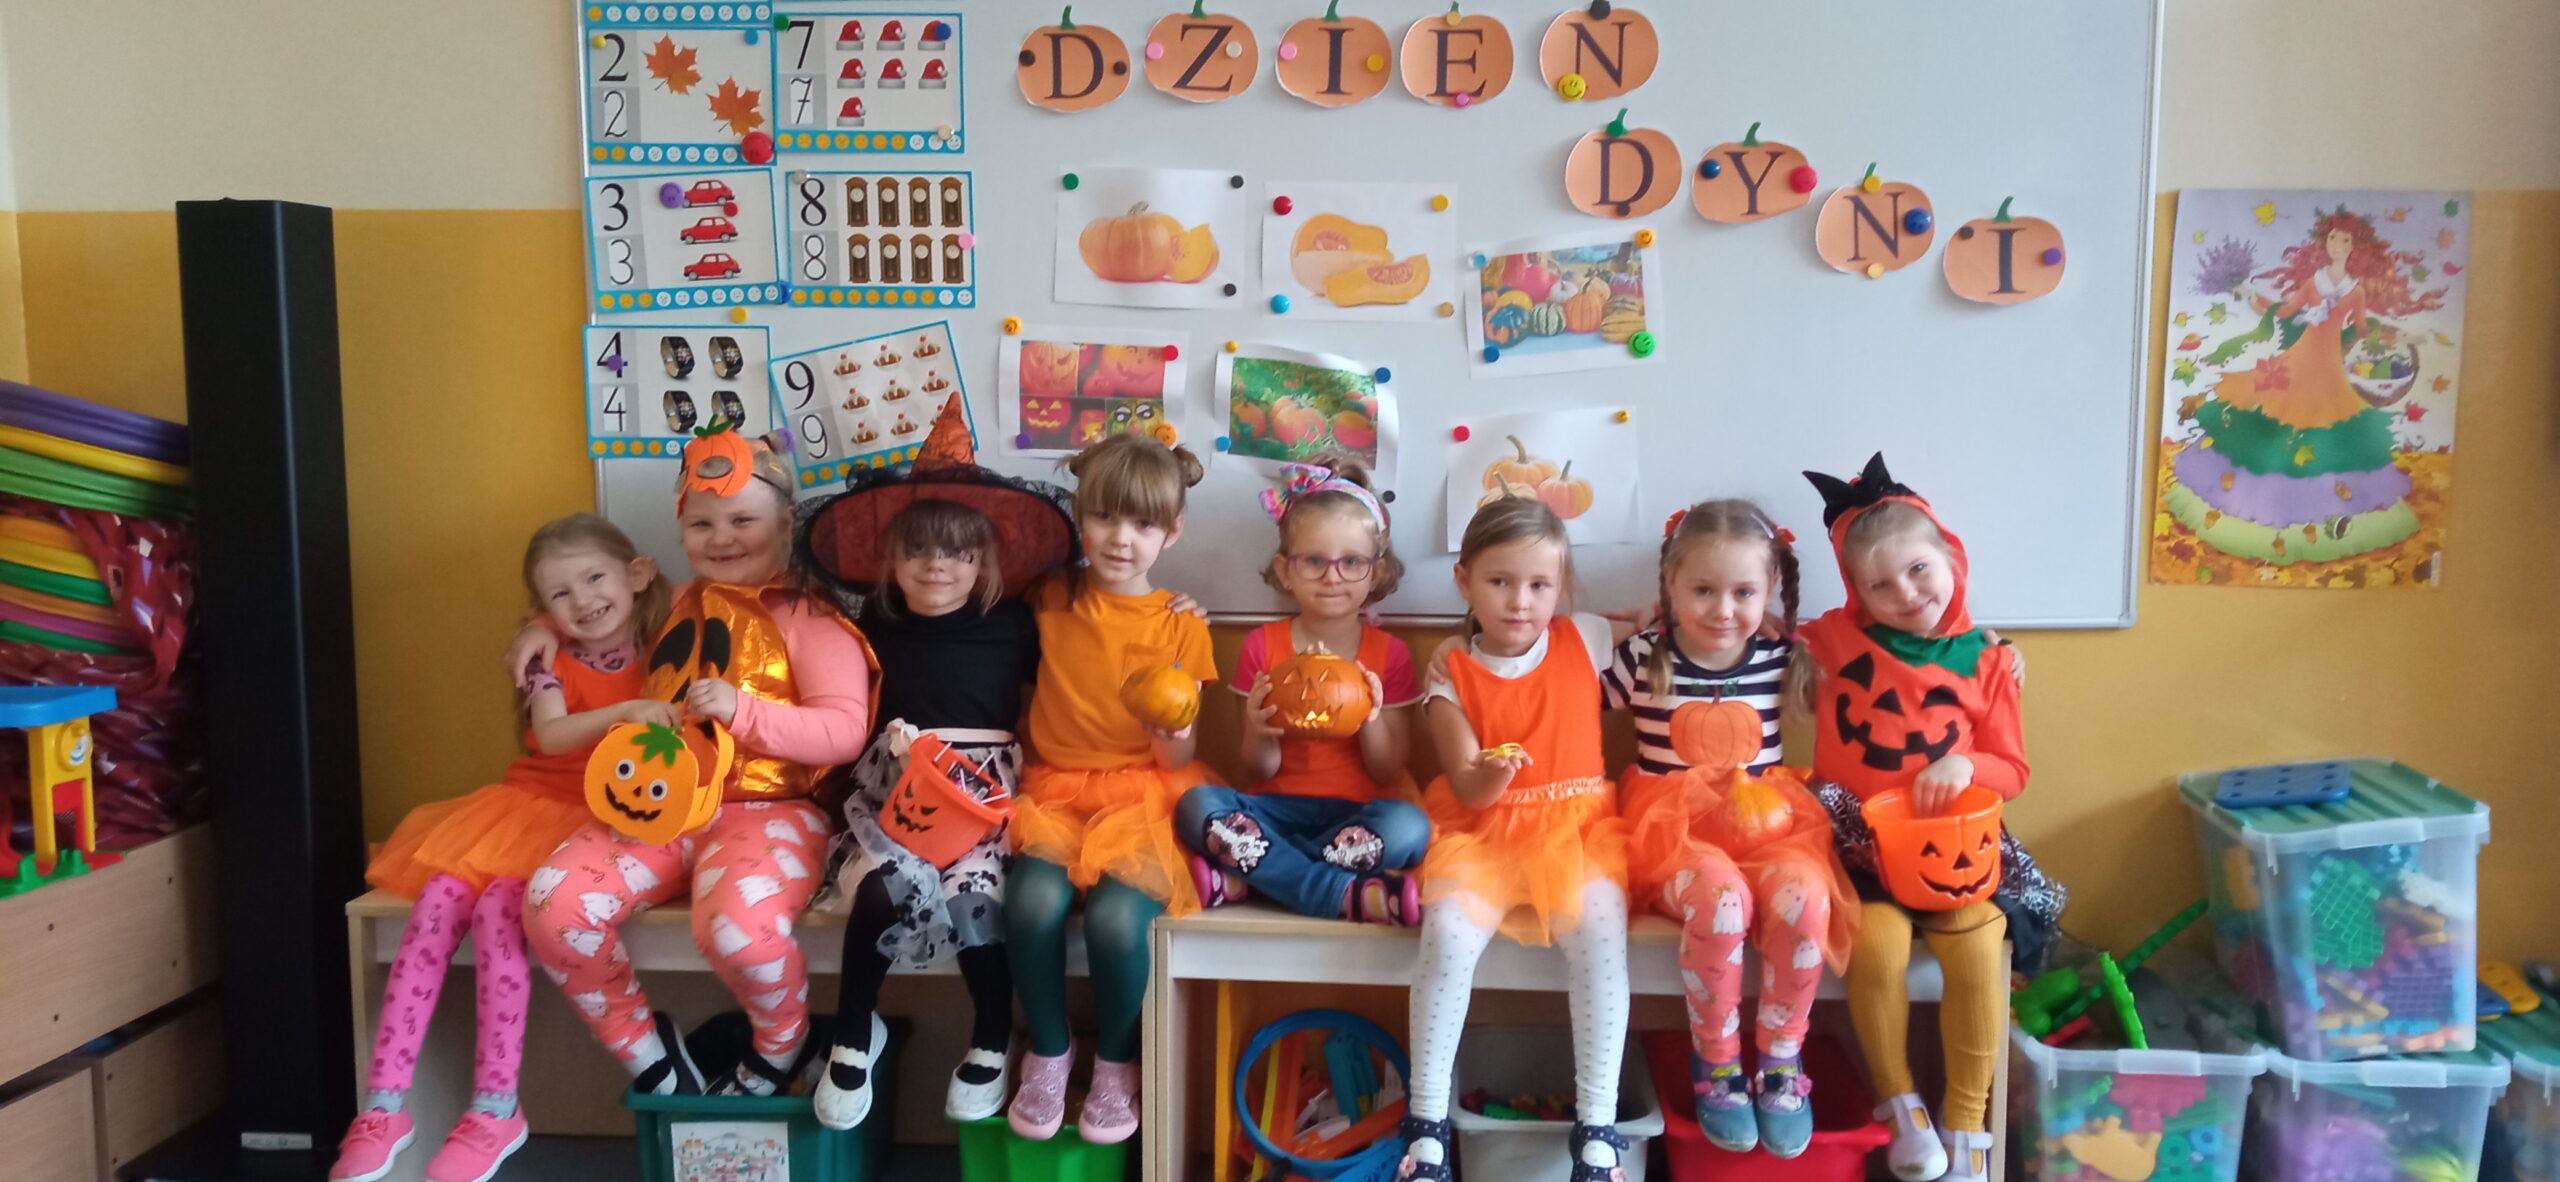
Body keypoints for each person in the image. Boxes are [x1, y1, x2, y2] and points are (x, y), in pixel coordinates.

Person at [518, 423, 877, 1098]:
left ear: (787, 522)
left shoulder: (810, 616)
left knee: (740, 932)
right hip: (660, 805)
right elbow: (593, 610)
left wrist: (743, 710)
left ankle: (783, 1044)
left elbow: (844, 734)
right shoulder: (675, 601)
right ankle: (649, 1056)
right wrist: (539, 626)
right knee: (552, 903)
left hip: (772, 812)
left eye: (743, 520)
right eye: (701, 523)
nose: (722, 538)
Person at [331, 514, 672, 1182]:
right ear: (541, 606)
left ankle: (494, 1109)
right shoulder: (549, 660)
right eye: (559, 594)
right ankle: (384, 1106)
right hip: (522, 809)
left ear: (637, 574)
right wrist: (613, 701)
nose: (582, 601)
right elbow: (554, 735)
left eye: (594, 579)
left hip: (595, 822)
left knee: (497, 914)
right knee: (437, 901)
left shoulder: (668, 636)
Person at [795, 398, 1079, 1129]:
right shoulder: (871, 623)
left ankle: (991, 1034)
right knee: (882, 890)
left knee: (975, 904)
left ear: (984, 561)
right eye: (919, 550)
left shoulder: (1013, 623)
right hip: (895, 795)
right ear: (890, 558)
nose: (937, 565)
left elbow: (1064, 692)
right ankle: (853, 1033)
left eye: (957, 552)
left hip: (984, 803)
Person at [1798, 453, 2061, 1182]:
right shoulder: (1832, 639)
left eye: (1918, 570)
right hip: (1861, 845)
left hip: (1955, 848)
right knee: (1876, 950)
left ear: (1952, 558)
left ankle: (1966, 1121)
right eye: (1879, 585)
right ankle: (1901, 1107)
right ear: (1855, 592)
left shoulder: (1989, 662)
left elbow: (2014, 769)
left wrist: (1967, 765)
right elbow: (1743, 625)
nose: (1905, 594)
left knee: (1977, 950)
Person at [1609, 500, 1855, 1158]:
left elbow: (1871, 650)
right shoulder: (1643, 657)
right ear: (1670, 584)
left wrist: (1984, 649)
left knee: (1806, 900)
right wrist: (1621, 621)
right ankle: (1717, 1063)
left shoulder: (1781, 654)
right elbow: (1559, 666)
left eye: (1744, 592)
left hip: (1770, 826)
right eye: (1703, 590)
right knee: (1723, 905)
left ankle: (1781, 1061)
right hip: (1676, 835)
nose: (1723, 610)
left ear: (1770, 587)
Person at [1400, 496, 1635, 1182]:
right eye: (1500, 581)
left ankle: (1598, 1129)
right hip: (1483, 834)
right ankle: (1427, 1126)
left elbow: (1669, 618)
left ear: (1560, 587)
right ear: (1464, 581)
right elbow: (1467, 786)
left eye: (1539, 584)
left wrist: (1762, 621)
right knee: (1447, 937)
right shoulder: (1451, 668)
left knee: (1601, 937)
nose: (1520, 601)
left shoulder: (1586, 636)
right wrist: (1493, 774)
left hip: (1579, 834)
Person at [1005, 432, 1221, 1144]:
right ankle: (1049, 1049)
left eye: (1143, 524)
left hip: (1142, 796)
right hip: (1054, 795)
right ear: (1079, 515)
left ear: (1172, 531)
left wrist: (1169, 730)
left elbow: (1181, 750)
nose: (1120, 539)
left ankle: (1117, 1062)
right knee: (1030, 906)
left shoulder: (1181, 624)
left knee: (1117, 923)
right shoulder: (1049, 597)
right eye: (1103, 516)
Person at [1177, 457, 1428, 925]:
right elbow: (1258, 768)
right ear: (1286, 570)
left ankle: (1257, 876)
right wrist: (1259, 730)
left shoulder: (1389, 653)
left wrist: (1371, 719)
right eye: (1314, 561)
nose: (1332, 576)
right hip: (1273, 810)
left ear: (1374, 573)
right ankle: (1335, 891)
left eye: (1351, 562)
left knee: (1410, 827)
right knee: (1196, 807)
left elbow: (1386, 769)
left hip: (1357, 816)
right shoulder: (1262, 646)